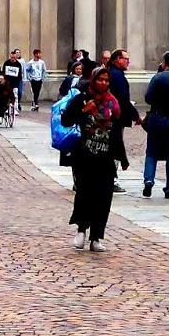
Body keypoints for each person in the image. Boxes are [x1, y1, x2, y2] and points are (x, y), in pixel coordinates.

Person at [60, 66, 126, 252]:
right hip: (84, 155)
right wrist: (83, 111)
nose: (104, 83)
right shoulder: (82, 98)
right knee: (84, 193)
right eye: (100, 80)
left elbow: (116, 133)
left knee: (103, 197)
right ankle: (81, 230)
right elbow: (66, 120)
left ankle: (96, 236)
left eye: (106, 80)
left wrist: (123, 158)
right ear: (93, 80)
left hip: (105, 157)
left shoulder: (113, 103)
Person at [141, 50, 169, 199]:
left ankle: (148, 180)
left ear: (164, 63)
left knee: (152, 152)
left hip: (157, 117)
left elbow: (148, 98)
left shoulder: (157, 78)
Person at [106, 49, 138, 191]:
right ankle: (111, 179)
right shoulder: (117, 75)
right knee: (113, 146)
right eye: (126, 58)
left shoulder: (113, 73)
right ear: (117, 59)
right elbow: (123, 100)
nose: (128, 61)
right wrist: (136, 116)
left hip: (110, 116)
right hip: (114, 117)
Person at [3, 49, 25, 114]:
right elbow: (4, 73)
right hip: (7, 83)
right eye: (11, 57)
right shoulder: (6, 63)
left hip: (15, 83)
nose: (12, 59)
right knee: (6, 96)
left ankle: (15, 109)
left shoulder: (18, 64)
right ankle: (7, 108)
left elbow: (19, 75)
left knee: (15, 96)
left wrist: (18, 82)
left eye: (14, 57)